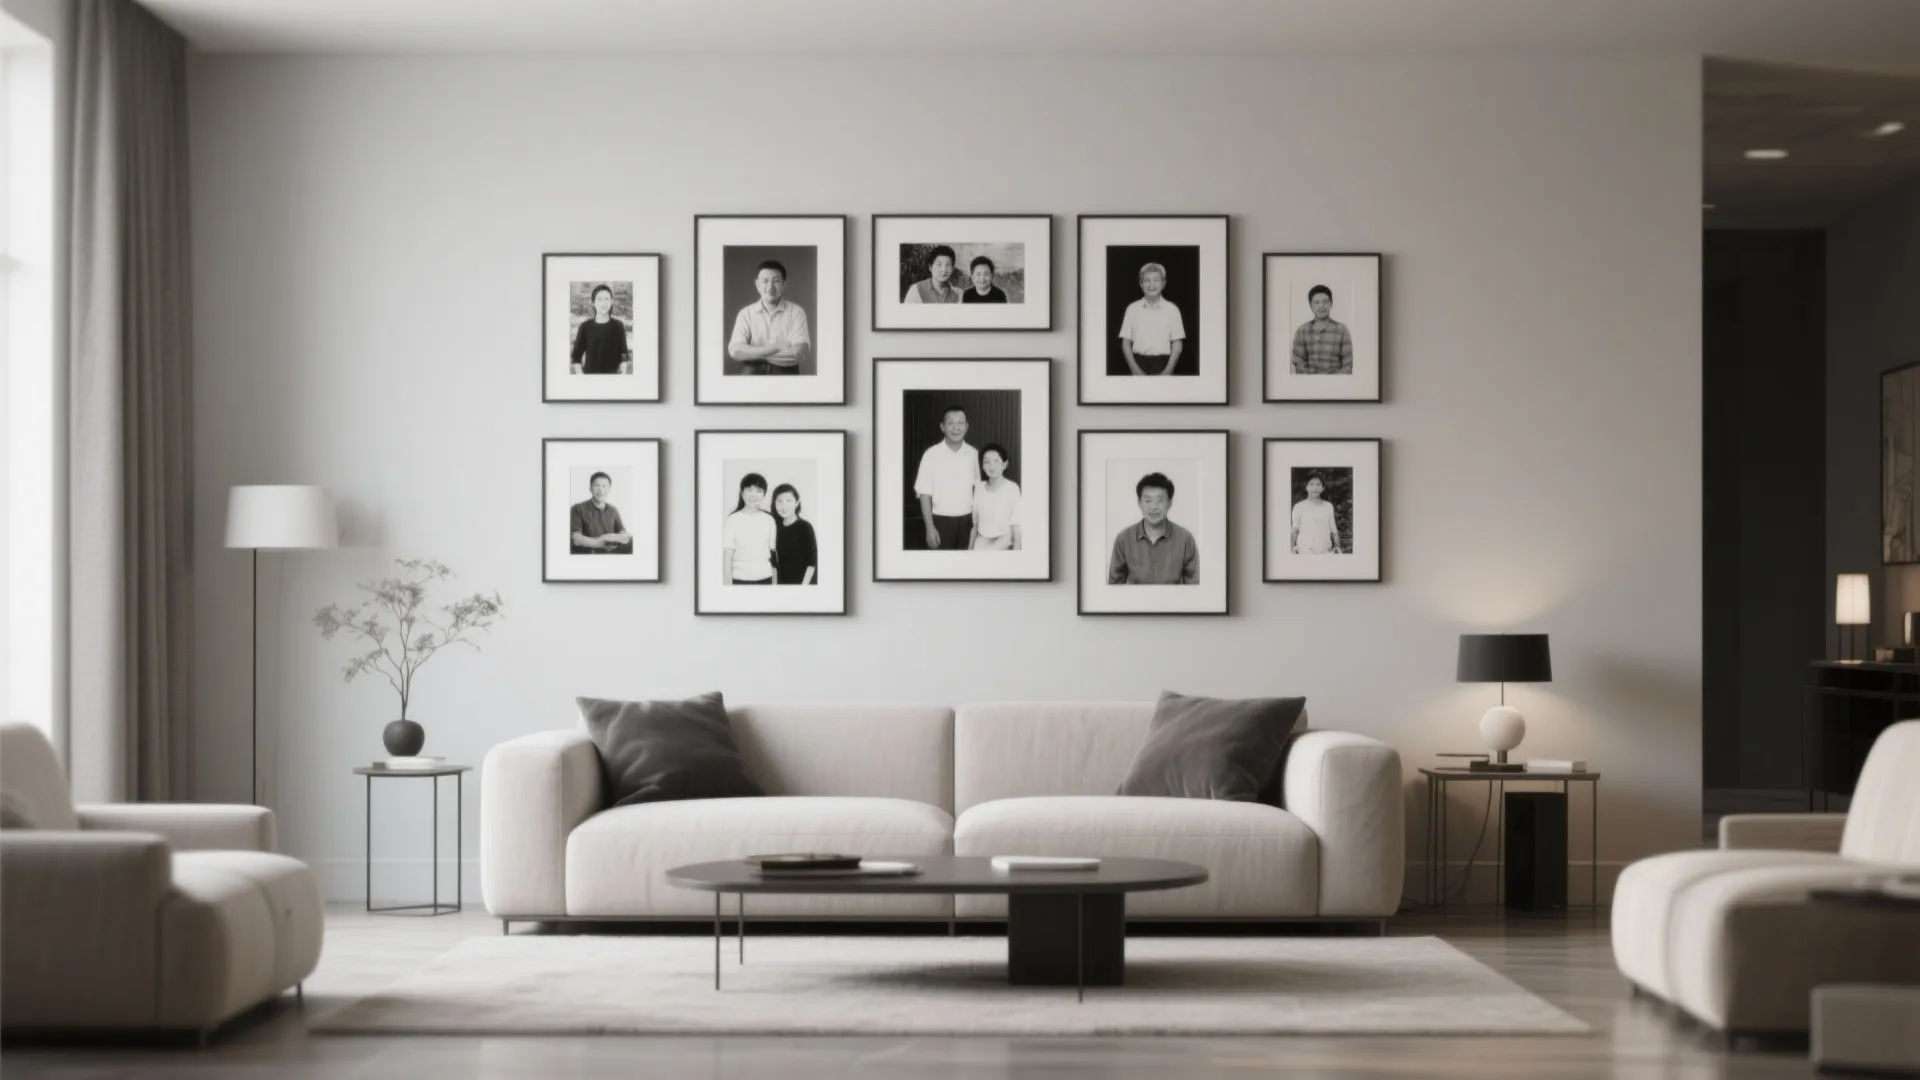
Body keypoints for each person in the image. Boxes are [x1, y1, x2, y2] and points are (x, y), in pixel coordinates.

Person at [1108, 472, 1199, 584]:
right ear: (1139, 503)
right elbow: (1113, 587)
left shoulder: (1185, 539)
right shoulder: (1123, 539)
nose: (1154, 507)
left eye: (1160, 501)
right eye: (1148, 501)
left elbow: (1195, 588)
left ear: (1170, 503)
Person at [913, 405, 980, 551]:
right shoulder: (931, 455)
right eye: (950, 423)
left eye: (960, 423)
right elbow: (924, 494)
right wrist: (930, 528)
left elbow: (978, 489)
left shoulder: (973, 454)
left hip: (968, 522)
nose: (956, 428)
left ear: (967, 426)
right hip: (940, 521)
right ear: (942, 427)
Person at [727, 260, 811, 375]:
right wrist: (779, 346)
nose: (770, 287)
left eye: (775, 281)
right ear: (757, 284)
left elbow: (796, 354)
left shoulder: (796, 312)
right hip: (752, 373)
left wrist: (752, 353)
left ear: (784, 284)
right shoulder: (745, 313)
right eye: (765, 281)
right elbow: (736, 352)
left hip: (786, 374)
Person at [1117, 262, 1186, 376]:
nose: (1151, 285)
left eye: (1156, 280)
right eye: (1147, 280)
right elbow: (1125, 344)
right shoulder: (1132, 309)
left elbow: (1177, 344)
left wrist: (1167, 371)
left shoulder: (1172, 310)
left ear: (1163, 283)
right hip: (1137, 363)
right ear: (1141, 284)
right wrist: (1135, 371)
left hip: (1164, 363)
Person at [721, 473, 777, 584]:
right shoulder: (732, 519)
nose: (753, 495)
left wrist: (775, 585)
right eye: (749, 490)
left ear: (764, 495)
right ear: (742, 493)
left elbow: (774, 555)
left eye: (759, 491)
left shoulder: (769, 519)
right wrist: (727, 586)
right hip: (739, 579)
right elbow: (727, 556)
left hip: (765, 578)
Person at [1290, 284, 1354, 375]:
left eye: (1325, 302)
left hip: (1336, 384)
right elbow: (1298, 362)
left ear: (1331, 303)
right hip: (1309, 383)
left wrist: (1332, 381)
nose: (1321, 306)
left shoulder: (1342, 330)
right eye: (1317, 302)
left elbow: (1348, 364)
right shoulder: (1302, 330)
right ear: (1310, 305)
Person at [969, 443, 1022, 551]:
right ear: (982, 466)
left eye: (996, 461)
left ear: (1005, 464)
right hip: (981, 542)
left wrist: (1017, 555)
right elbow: (975, 525)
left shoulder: (1012, 488)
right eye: (986, 462)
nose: (991, 466)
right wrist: (969, 552)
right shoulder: (978, 488)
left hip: (1005, 543)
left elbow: (1017, 526)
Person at [570, 284, 632, 375]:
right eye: (599, 299)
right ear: (593, 303)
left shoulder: (618, 326)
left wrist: (622, 376)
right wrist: (581, 379)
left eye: (607, 299)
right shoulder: (585, 327)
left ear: (611, 301)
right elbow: (576, 357)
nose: (603, 303)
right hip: (589, 378)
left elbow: (624, 355)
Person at [569, 471, 633, 554]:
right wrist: (603, 542)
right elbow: (576, 539)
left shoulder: (613, 510)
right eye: (597, 486)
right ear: (590, 488)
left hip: (612, 554)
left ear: (609, 489)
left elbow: (624, 534)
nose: (601, 489)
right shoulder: (577, 508)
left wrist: (607, 537)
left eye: (604, 486)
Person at [770, 483, 818, 585]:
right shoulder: (775, 526)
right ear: (774, 503)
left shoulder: (805, 527)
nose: (784, 506)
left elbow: (812, 563)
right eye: (779, 501)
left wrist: (802, 589)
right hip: (782, 585)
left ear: (797, 502)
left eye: (788, 501)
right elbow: (774, 563)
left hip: (802, 584)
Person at [1291, 473, 1342, 554]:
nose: (1315, 488)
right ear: (1306, 487)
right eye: (1311, 484)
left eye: (1318, 485)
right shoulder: (1298, 507)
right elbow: (1294, 530)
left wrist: (1338, 547)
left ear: (1323, 488)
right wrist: (1291, 549)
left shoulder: (1328, 506)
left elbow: (1334, 530)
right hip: (1304, 552)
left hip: (1325, 552)